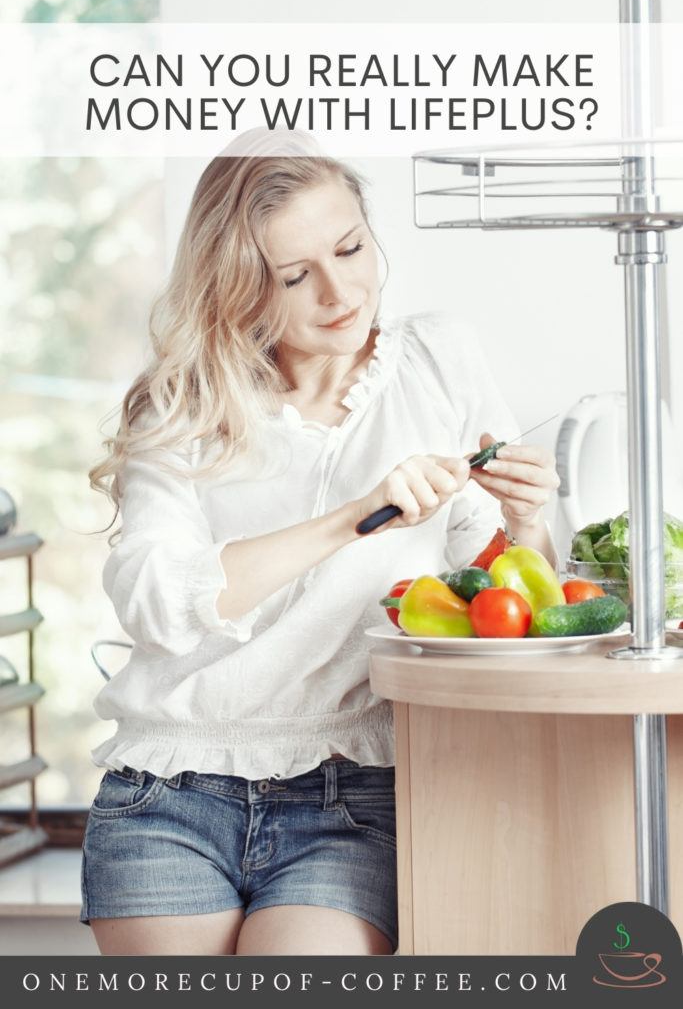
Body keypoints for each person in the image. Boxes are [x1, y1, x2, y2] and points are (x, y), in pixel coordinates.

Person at [81, 136, 560, 957]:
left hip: (350, 793)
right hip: (166, 789)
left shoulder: (437, 360)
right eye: (295, 276)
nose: (341, 293)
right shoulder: (180, 404)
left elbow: (501, 605)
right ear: (236, 287)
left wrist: (524, 525)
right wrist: (353, 515)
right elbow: (157, 601)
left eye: (350, 248)